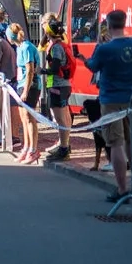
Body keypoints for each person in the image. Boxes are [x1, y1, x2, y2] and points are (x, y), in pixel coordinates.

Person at [72, 9, 132, 202]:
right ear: (124, 23)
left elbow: (93, 66)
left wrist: (83, 59)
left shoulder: (105, 49)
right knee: (131, 140)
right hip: (131, 98)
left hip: (110, 98)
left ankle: (122, 188)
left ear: (109, 26)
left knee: (115, 143)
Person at [39, 18, 75, 161]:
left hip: (57, 85)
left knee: (60, 119)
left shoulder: (56, 48)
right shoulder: (62, 44)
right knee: (64, 117)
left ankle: (64, 148)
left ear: (49, 32)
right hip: (64, 85)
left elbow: (54, 68)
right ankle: (65, 145)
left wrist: (41, 71)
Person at [8, 23, 43, 163]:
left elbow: (30, 70)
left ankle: (33, 149)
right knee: (23, 118)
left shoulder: (27, 47)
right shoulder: (20, 47)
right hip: (21, 85)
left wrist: (26, 91)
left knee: (29, 118)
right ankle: (26, 147)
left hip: (31, 86)